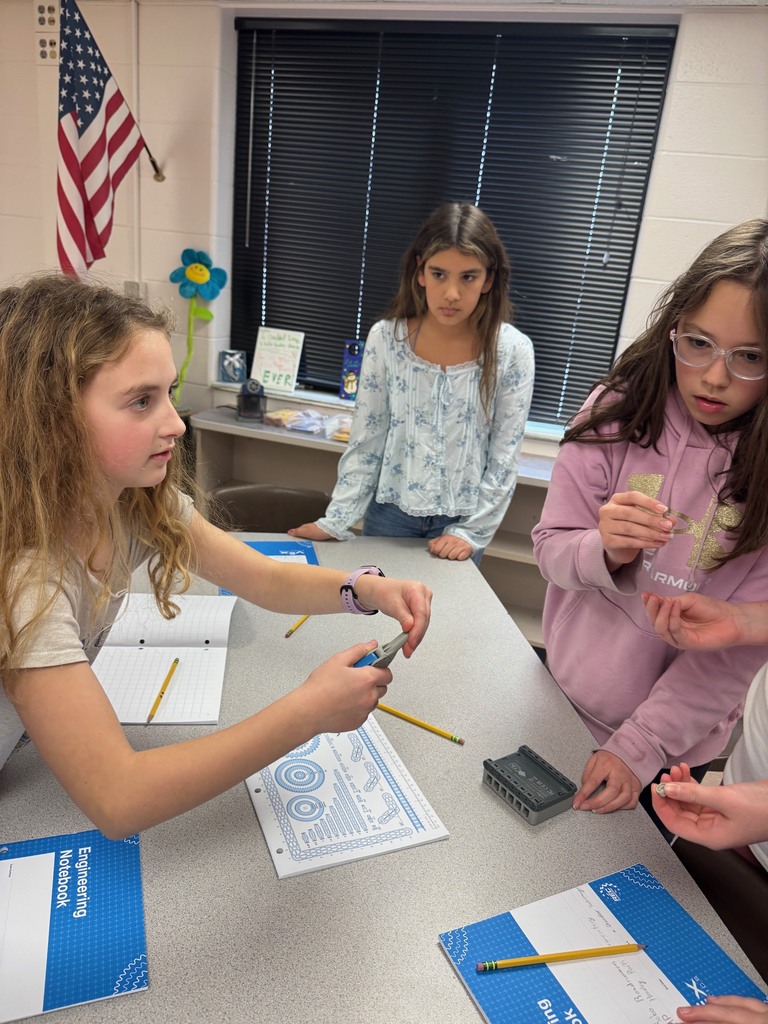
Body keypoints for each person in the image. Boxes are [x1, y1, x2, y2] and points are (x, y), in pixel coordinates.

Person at [0, 274, 432, 840]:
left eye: (169, 394)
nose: (176, 423)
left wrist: (364, 588)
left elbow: (265, 580)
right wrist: (308, 714)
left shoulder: (128, 503)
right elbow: (118, 797)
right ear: (54, 421)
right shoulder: (28, 575)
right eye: (140, 402)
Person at [531, 218, 768, 824]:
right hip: (558, 696)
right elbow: (551, 549)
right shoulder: (619, 409)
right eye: (698, 344)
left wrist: (640, 747)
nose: (716, 377)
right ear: (674, 328)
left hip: (670, 749)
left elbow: (734, 652)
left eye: (750, 357)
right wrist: (603, 550)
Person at [288, 202, 535, 565]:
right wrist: (337, 519)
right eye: (439, 274)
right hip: (390, 513)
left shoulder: (512, 350)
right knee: (375, 614)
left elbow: (503, 456)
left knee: (446, 619)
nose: (451, 293)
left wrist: (472, 532)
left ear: (489, 279)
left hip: (461, 521)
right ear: (420, 272)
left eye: (468, 276)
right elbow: (367, 439)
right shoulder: (387, 340)